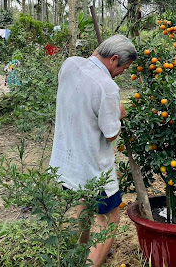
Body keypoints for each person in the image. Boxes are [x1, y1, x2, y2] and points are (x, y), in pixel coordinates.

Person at [49, 34, 137, 267]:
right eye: (123, 68)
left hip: (66, 162)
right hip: (92, 167)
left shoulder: (70, 64)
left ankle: (83, 251)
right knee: (109, 218)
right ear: (114, 59)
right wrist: (119, 113)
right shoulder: (107, 86)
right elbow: (110, 133)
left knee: (82, 203)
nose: (122, 74)